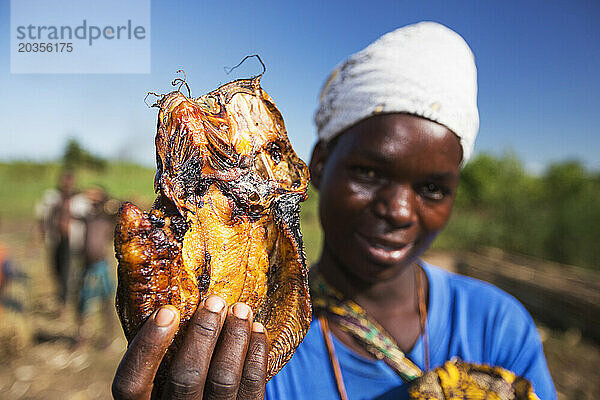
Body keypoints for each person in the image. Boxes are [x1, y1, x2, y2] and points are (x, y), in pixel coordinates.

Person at [111, 22, 556, 400]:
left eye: (433, 188)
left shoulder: (496, 327)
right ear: (315, 167)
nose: (399, 210)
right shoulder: (249, 350)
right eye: (368, 172)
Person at [35, 171, 89, 311]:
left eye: (69, 180)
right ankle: (61, 296)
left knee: (68, 270)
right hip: (56, 239)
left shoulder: (80, 200)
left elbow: (87, 219)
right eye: (64, 180)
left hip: (72, 241)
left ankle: (65, 302)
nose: (67, 183)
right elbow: (41, 218)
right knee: (56, 268)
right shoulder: (51, 197)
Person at [75, 185, 119, 347]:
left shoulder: (106, 219)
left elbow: (117, 205)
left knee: (106, 301)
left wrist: (102, 197)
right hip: (87, 267)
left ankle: (108, 336)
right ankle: (82, 337)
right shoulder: (87, 217)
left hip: (101, 267)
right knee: (83, 302)